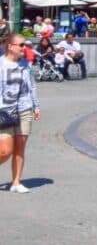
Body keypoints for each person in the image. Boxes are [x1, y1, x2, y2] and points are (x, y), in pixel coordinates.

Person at [0, 35, 41, 193]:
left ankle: (16, 182)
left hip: (24, 109)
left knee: (20, 147)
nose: (24, 48)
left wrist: (36, 106)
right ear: (10, 46)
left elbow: (32, 86)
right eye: (21, 45)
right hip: (4, 110)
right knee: (5, 150)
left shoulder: (25, 64)